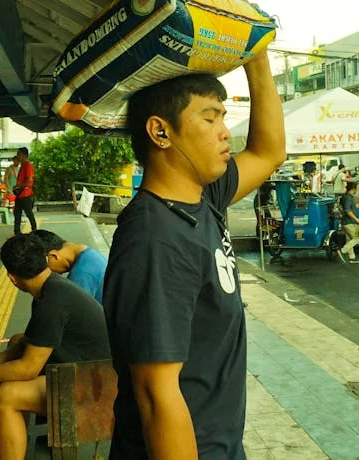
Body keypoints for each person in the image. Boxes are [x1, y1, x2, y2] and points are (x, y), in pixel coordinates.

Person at [103, 52, 285, 460]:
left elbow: (269, 152)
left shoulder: (205, 199)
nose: (225, 133)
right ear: (160, 132)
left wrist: (257, 61)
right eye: (210, 118)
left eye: (223, 117)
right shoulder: (154, 240)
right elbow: (156, 395)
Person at [0, 234, 111, 460]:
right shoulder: (50, 288)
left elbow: (27, 368)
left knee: (8, 395)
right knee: (16, 342)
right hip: (89, 373)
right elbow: (22, 349)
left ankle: (7, 428)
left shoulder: (52, 303)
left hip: (100, 390)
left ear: (12, 278)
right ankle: (7, 430)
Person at [31, 229, 108, 304]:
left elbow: (72, 313)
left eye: (46, 268)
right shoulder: (89, 253)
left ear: (53, 256)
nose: (50, 273)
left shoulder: (81, 274)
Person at [13, 147, 37, 235]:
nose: (18, 157)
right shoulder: (22, 166)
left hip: (26, 193)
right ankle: (17, 232)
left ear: (24, 156)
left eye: (19, 155)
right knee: (17, 213)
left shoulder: (27, 165)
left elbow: (29, 179)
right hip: (20, 194)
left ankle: (34, 230)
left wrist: (19, 186)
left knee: (28, 213)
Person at [338, 181, 359, 264]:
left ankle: (352, 258)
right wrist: (356, 219)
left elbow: (351, 208)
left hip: (345, 222)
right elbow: (347, 210)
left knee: (349, 239)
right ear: (353, 189)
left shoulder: (346, 197)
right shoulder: (348, 198)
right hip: (349, 222)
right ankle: (342, 250)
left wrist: (358, 205)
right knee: (357, 238)